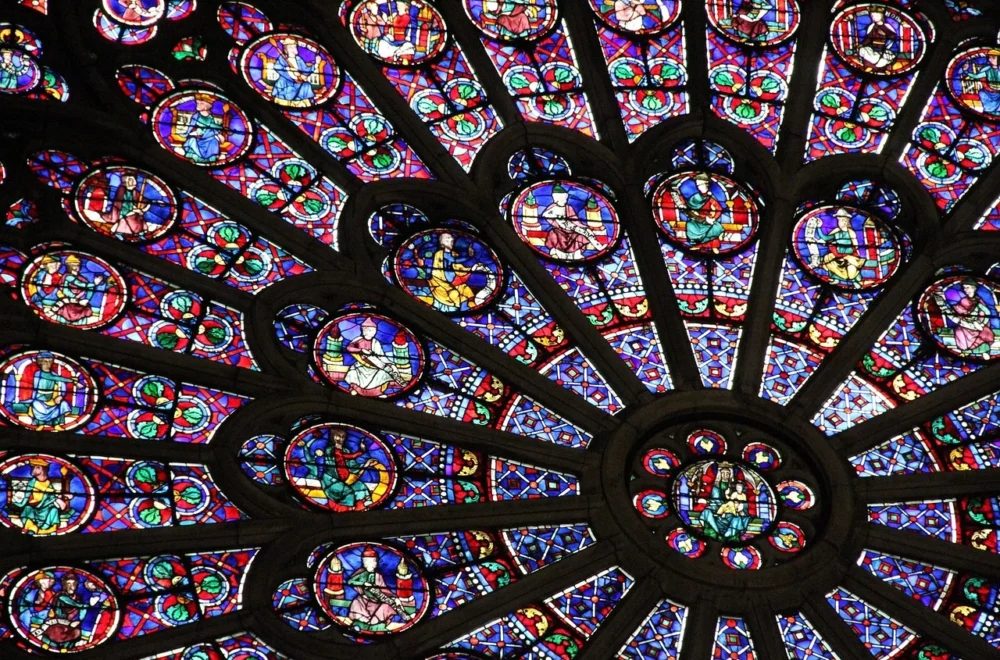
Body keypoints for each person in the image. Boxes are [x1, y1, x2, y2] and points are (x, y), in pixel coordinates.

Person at [304, 428, 384, 509]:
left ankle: (363, 509)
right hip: (332, 479)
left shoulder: (346, 450)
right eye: (338, 436)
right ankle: (349, 510)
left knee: (362, 487)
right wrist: (360, 451)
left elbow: (352, 466)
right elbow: (341, 460)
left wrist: (366, 463)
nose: (341, 439)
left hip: (346, 478)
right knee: (347, 492)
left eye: (343, 437)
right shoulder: (329, 450)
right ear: (333, 437)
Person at [423, 232, 493, 312]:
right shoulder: (440, 253)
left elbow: (459, 268)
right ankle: (455, 310)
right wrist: (468, 256)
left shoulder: (454, 254)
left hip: (454, 282)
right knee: (454, 294)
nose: (451, 239)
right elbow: (454, 260)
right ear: (442, 243)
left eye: (451, 238)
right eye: (447, 238)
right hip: (441, 282)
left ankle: (468, 309)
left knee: (467, 291)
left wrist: (471, 269)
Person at [346, 548, 410, 631]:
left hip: (377, 600)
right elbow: (350, 581)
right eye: (367, 561)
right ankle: (362, 625)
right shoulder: (361, 573)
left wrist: (394, 598)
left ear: (376, 563)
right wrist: (363, 584)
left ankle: (375, 624)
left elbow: (384, 590)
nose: (370, 564)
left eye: (372, 561)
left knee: (387, 607)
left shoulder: (378, 575)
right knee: (356, 602)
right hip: (363, 600)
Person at [343, 318, 408, 396]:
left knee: (384, 373)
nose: (370, 332)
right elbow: (348, 348)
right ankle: (355, 389)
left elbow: (381, 356)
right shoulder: (358, 340)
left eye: (372, 330)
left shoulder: (375, 342)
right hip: (361, 365)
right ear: (363, 330)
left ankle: (378, 392)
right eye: (367, 330)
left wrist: (390, 364)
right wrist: (361, 350)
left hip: (376, 366)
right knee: (352, 373)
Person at [11, 352, 75, 428]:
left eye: (50, 361)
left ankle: (56, 425)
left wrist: (61, 396)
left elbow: (62, 386)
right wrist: (71, 380)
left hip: (53, 399)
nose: (48, 364)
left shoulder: (54, 374)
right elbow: (51, 377)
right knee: (36, 405)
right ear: (40, 362)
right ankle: (40, 424)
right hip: (40, 399)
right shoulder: (38, 374)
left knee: (63, 404)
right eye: (45, 361)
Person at [8, 457, 70, 535]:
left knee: (54, 510)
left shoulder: (48, 483)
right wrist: (20, 504)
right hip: (34, 508)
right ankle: (32, 529)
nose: (34, 469)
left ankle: (51, 530)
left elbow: (52, 497)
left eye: (37, 467)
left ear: (42, 469)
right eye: (34, 467)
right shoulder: (32, 482)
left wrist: (59, 500)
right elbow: (26, 497)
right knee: (27, 509)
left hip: (46, 508)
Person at [934, 279, 997, 355]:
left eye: (967, 287)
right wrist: (944, 300)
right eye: (964, 288)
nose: (965, 290)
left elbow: (986, 313)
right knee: (959, 332)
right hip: (965, 324)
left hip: (979, 325)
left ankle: (980, 350)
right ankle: (966, 351)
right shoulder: (964, 300)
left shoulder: (979, 301)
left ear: (974, 288)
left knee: (984, 335)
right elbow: (958, 310)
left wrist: (981, 324)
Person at [541, 185, 604, 260]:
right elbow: (546, 216)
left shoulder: (569, 208)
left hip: (572, 229)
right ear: (556, 199)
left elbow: (575, 219)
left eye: (565, 198)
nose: (564, 200)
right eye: (562, 199)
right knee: (553, 234)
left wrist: (581, 227)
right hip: (560, 230)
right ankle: (555, 253)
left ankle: (578, 254)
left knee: (582, 235)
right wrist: (558, 221)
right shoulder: (552, 208)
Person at [806, 208, 866, 285]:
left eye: (841, 220)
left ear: (846, 221)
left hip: (849, 256)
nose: (839, 222)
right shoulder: (836, 231)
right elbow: (826, 238)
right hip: (837, 255)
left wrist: (841, 246)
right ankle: (836, 278)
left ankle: (854, 280)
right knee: (827, 258)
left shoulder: (851, 232)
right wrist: (819, 227)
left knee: (851, 270)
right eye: (838, 220)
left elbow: (855, 245)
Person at [671, 173, 726, 252]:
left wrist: (713, 218)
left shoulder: (710, 198)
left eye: (700, 184)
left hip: (708, 219)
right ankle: (697, 244)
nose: (699, 186)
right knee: (690, 225)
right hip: (696, 220)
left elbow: (718, 209)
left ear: (707, 184)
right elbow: (689, 206)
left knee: (713, 227)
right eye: (698, 184)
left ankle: (711, 246)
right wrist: (681, 203)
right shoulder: (695, 197)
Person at [269, 38, 317, 106]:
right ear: (286, 49)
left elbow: (305, 69)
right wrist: (288, 71)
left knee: (307, 85)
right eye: (291, 47)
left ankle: (303, 103)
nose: (293, 49)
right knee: (288, 88)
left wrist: (316, 65)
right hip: (286, 81)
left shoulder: (298, 59)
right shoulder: (282, 58)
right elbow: (277, 67)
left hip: (298, 81)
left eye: (294, 47)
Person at [182, 94, 226, 164]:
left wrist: (219, 133)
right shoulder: (196, 115)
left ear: (206, 106)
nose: (198, 105)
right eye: (198, 103)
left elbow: (212, 126)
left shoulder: (210, 117)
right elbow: (192, 126)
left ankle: (211, 159)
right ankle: (193, 158)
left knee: (214, 141)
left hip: (208, 136)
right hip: (198, 136)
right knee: (192, 141)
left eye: (201, 103)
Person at [963, 50, 1000, 117]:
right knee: (982, 93)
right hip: (990, 91)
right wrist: (966, 71)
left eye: (993, 58)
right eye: (989, 57)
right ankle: (990, 111)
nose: (990, 59)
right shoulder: (988, 69)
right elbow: (976, 76)